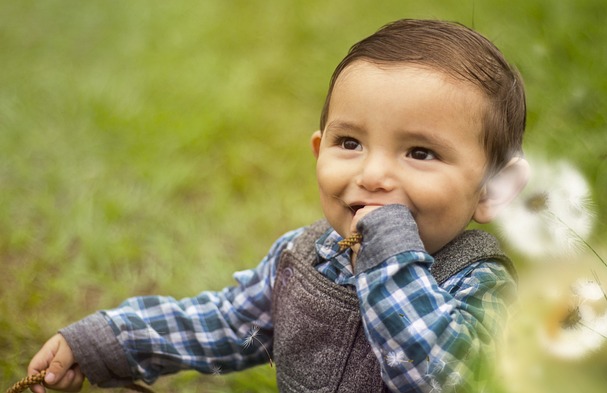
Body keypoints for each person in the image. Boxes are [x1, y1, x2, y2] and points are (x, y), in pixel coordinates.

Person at [28, 18, 529, 393]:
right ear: (319, 152)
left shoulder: (481, 286)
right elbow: (224, 324)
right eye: (350, 143)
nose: (372, 175)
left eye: (420, 153)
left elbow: (439, 376)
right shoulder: (304, 258)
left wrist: (388, 258)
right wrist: (107, 342)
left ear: (492, 190)